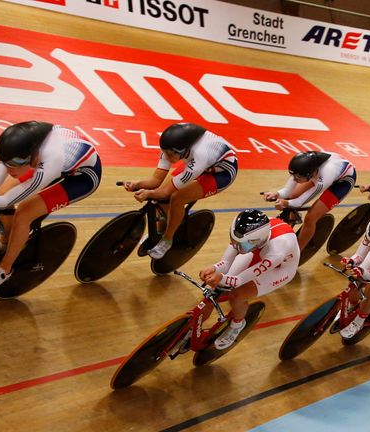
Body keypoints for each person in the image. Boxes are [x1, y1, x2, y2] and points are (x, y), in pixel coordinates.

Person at [0, 121, 102, 289]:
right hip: (50, 160)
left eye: (13, 165)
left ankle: (5, 269)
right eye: (5, 164)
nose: (9, 170)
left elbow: (7, 201)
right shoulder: (18, 151)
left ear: (30, 157)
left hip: (83, 178)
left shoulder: (52, 160)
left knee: (24, 213)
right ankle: (6, 241)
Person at [124, 123, 238, 259]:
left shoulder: (199, 156)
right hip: (204, 164)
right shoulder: (171, 147)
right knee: (160, 197)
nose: (167, 157)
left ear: (183, 151)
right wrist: (138, 184)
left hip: (221, 173)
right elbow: (155, 181)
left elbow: (166, 192)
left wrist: (149, 193)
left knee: (177, 198)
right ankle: (162, 229)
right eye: (165, 153)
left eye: (171, 155)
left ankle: (167, 240)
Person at [199, 209, 300, 350]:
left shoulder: (277, 250)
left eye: (240, 244)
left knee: (237, 295)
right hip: (258, 251)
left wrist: (221, 277)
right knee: (213, 292)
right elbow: (226, 263)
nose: (235, 246)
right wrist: (214, 268)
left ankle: (237, 324)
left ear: (255, 241)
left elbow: (239, 280)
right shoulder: (246, 235)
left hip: (280, 269)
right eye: (234, 240)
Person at [263, 151, 356, 252]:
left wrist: (285, 203)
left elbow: (300, 202)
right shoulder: (302, 169)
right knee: (291, 196)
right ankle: (292, 219)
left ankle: (295, 253)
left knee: (310, 218)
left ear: (309, 174)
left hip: (342, 183)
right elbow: (287, 192)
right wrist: (276, 194)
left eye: (297, 177)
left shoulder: (324, 178)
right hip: (323, 171)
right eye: (293, 176)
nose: (294, 179)